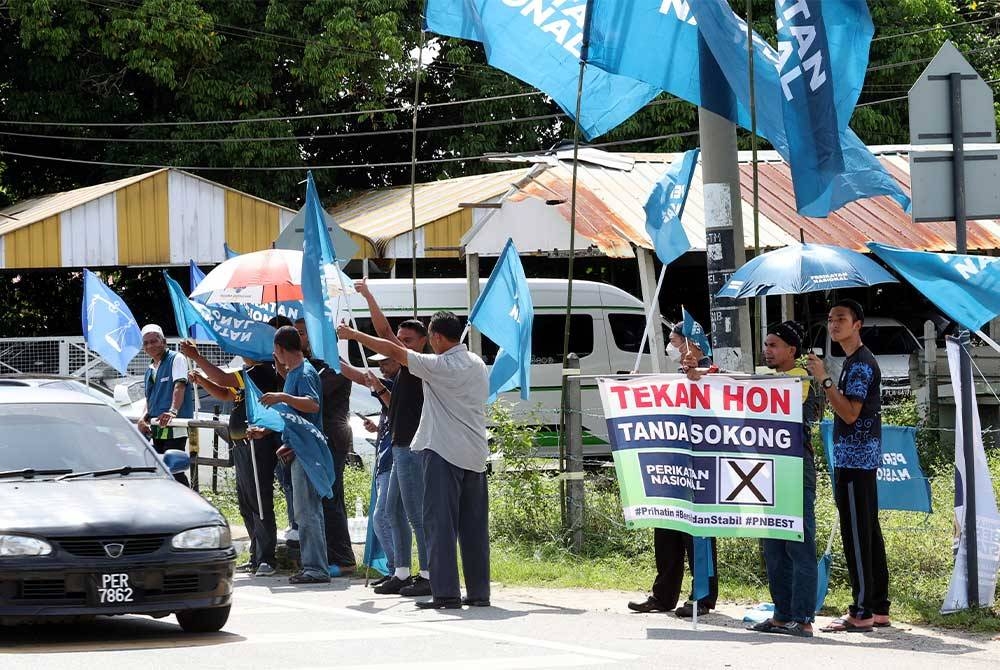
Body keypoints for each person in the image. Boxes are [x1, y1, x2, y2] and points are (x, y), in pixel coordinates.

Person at [338, 310, 491, 610]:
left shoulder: (439, 365)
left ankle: (445, 594)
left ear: (434, 337)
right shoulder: (477, 363)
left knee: (439, 526)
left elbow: (394, 350)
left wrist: (355, 335)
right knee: (474, 530)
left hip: (443, 453)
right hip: (475, 454)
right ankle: (478, 593)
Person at [807, 299, 890, 632]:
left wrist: (825, 380)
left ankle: (861, 611)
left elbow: (850, 413)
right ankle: (879, 607)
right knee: (868, 531)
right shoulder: (855, 361)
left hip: (856, 462)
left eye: (841, 318)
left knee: (857, 535)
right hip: (858, 460)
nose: (833, 324)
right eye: (830, 319)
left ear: (858, 324)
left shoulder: (859, 364)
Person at [628, 324, 718, 618]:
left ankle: (702, 597)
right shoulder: (677, 374)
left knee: (700, 534)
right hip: (673, 464)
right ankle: (663, 595)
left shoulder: (712, 372)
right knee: (666, 529)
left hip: (702, 466)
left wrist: (698, 374)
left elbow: (717, 392)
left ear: (691, 343)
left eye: (674, 340)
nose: (671, 346)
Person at [353, 279, 431, 597]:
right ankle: (400, 572)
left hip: (414, 448)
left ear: (425, 341)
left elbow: (383, 334)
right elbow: (385, 335)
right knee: (390, 512)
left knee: (415, 514)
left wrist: (368, 297)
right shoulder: (400, 369)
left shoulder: (421, 365)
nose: (401, 345)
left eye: (408, 340)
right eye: (400, 340)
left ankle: (427, 574)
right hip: (399, 448)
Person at [181, 340, 281, 578]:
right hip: (241, 444)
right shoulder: (248, 374)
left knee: (259, 499)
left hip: (257, 444)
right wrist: (203, 380)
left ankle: (268, 557)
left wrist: (197, 356)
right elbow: (227, 394)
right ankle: (257, 554)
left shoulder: (260, 372)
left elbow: (224, 380)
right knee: (246, 501)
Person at [749, 321, 821, 638]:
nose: (768, 350)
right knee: (773, 548)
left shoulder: (801, 380)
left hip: (794, 467)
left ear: (792, 351)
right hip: (768, 469)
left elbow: (792, 408)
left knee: (800, 546)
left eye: (774, 345)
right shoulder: (770, 378)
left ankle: (803, 618)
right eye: (766, 344)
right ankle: (781, 615)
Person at [250, 325, 331, 585]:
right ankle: (313, 566)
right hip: (298, 449)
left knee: (307, 512)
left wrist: (282, 395)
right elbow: (293, 417)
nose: (276, 356)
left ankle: (316, 568)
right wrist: (265, 430)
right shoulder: (294, 372)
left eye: (276, 351)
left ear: (282, 350)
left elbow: (312, 403)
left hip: (307, 452)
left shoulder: (304, 372)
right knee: (304, 512)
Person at [293, 318, 357, 576]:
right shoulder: (313, 367)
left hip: (332, 439)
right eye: (296, 334)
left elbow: (313, 399)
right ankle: (328, 555)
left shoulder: (335, 368)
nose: (300, 339)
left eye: (303, 334)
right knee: (319, 499)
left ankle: (343, 559)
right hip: (315, 440)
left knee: (330, 497)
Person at [341, 352, 400, 586]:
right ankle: (397, 570)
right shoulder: (392, 384)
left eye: (386, 362)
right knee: (389, 518)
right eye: (379, 364)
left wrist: (330, 355)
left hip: (396, 461)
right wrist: (378, 428)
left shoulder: (402, 384)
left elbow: (356, 376)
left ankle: (399, 570)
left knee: (383, 517)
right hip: (385, 458)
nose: (381, 368)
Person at [137, 324, 193, 486]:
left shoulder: (176, 358)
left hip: (174, 424)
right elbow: (150, 398)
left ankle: (186, 501)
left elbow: (179, 385)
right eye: (146, 343)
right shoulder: (150, 369)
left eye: (154, 341)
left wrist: (173, 411)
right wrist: (143, 417)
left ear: (164, 341)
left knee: (174, 469)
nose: (150, 346)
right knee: (159, 469)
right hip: (156, 426)